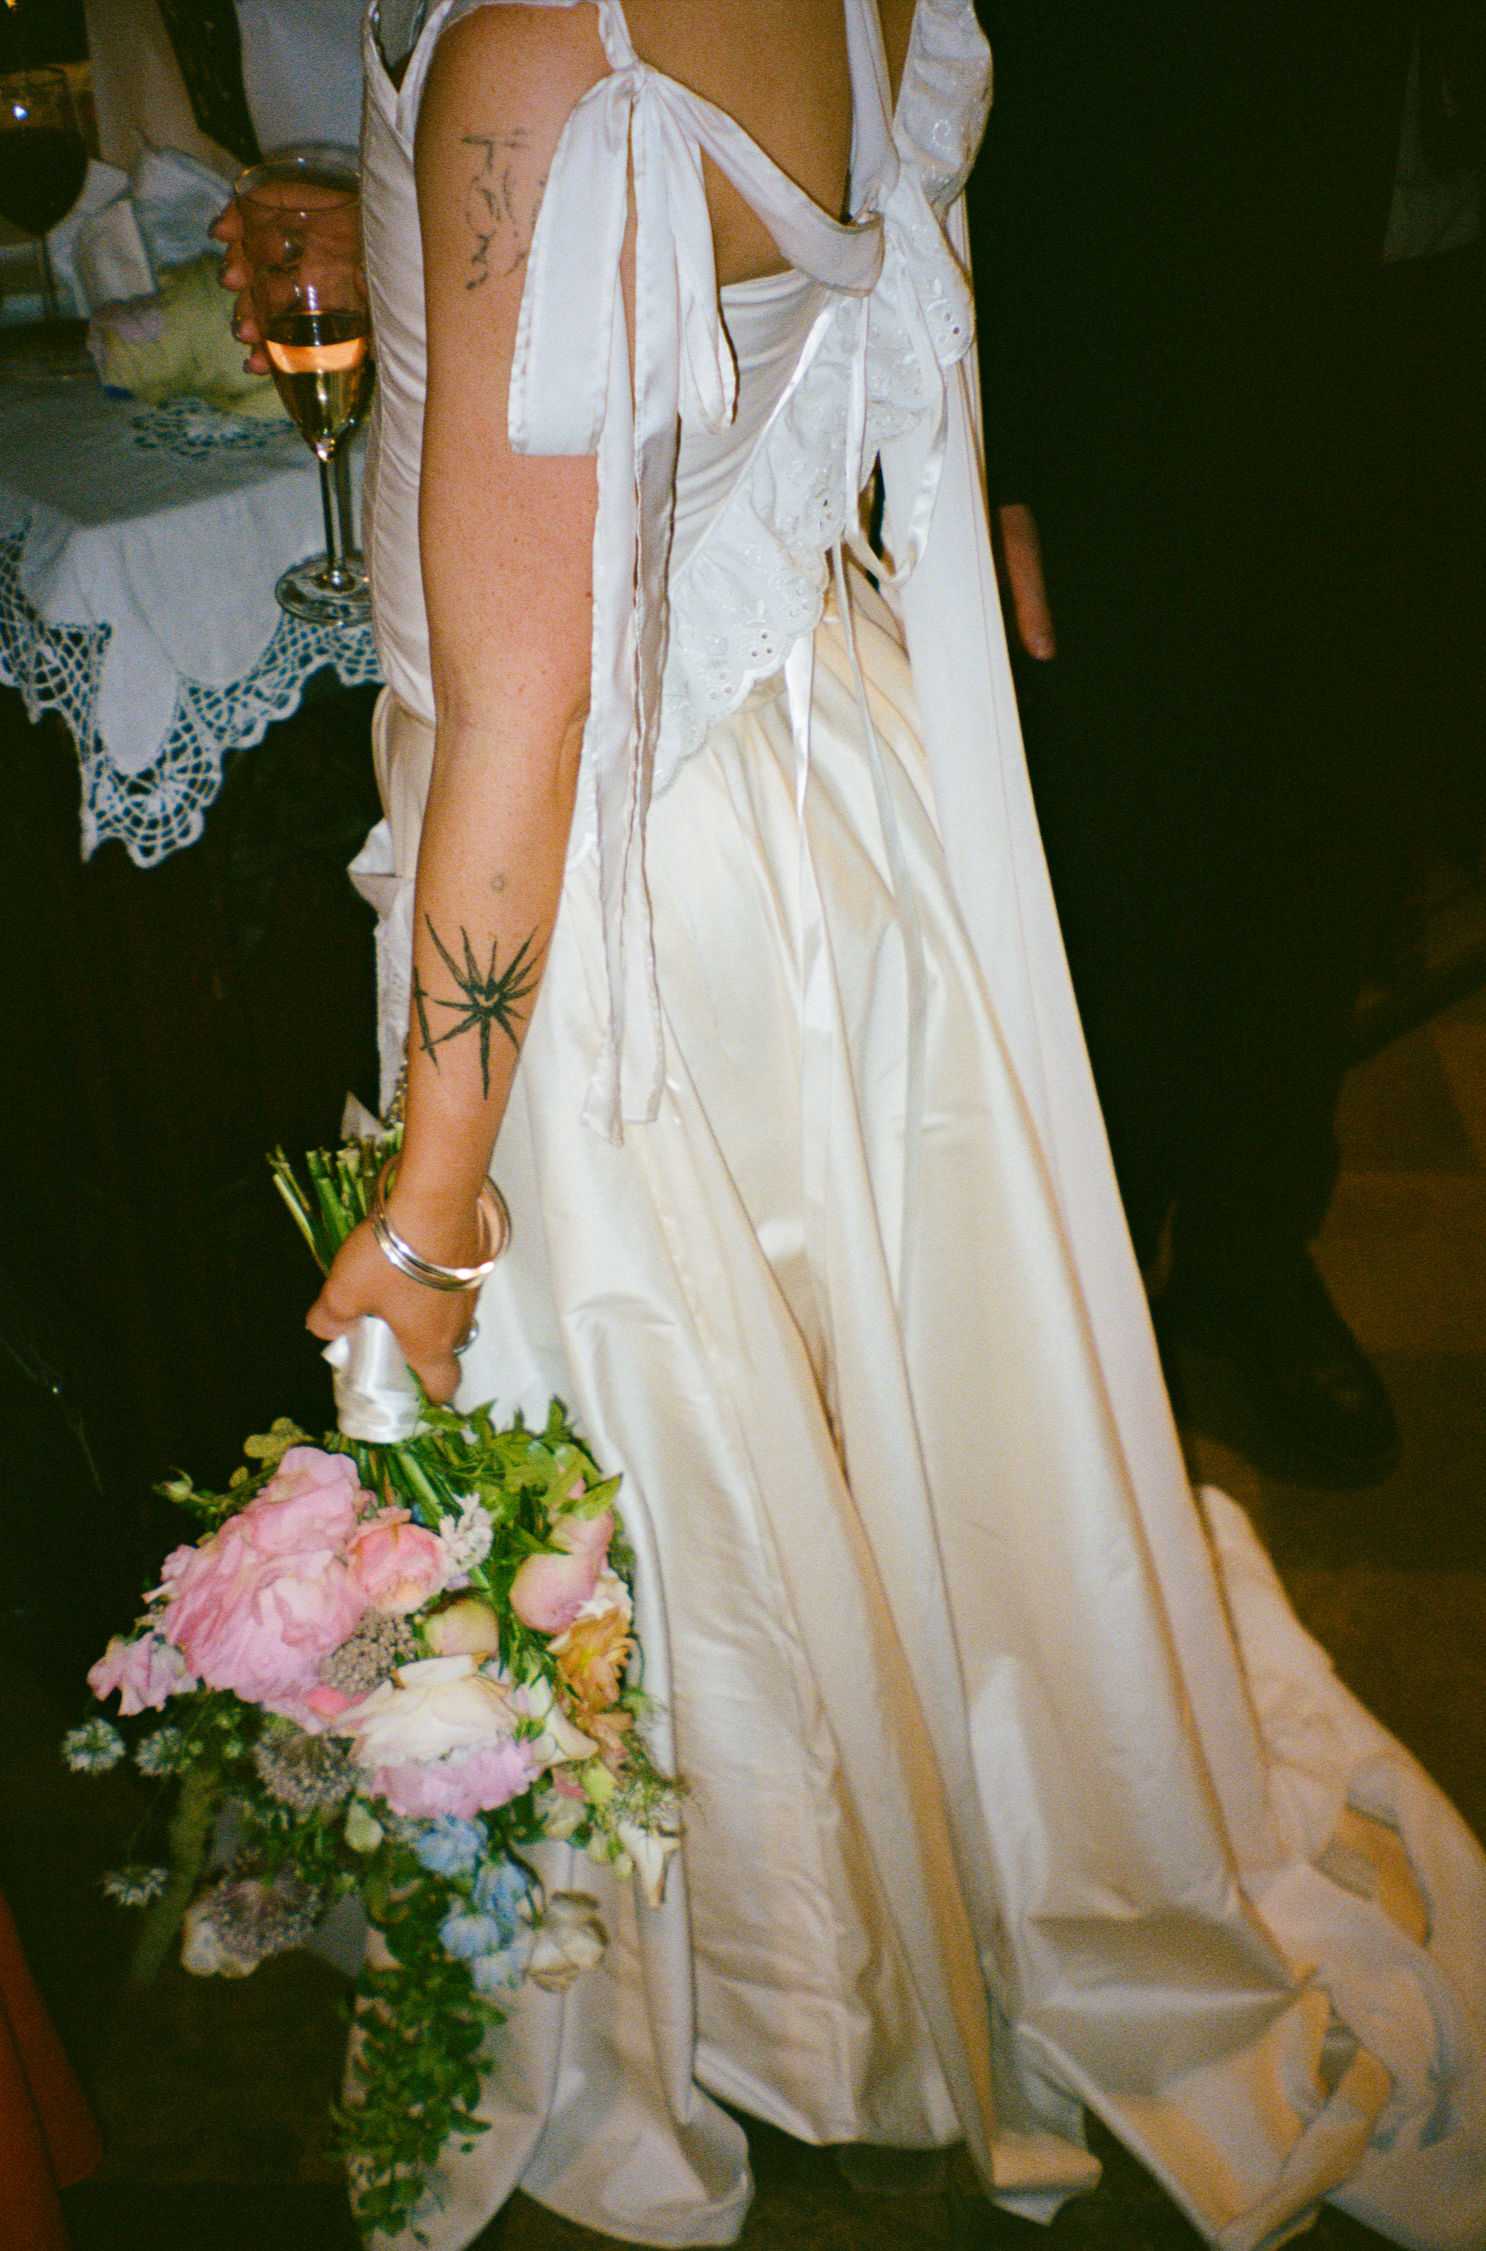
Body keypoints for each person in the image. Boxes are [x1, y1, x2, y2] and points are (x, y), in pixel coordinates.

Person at [224, 3, 1486, 2246]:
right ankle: (906, 1907)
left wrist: (429, 1209)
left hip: (611, 903)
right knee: (878, 1414)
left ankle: (767, 1991)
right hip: (824, 776)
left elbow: (528, 723)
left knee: (671, 1452)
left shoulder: (546, 57)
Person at [967, 2, 1485, 1487]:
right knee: (1123, 859)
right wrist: (1013, 442)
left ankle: (1253, 1252)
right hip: (1163, 369)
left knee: (1332, 855)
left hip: (1431, 366)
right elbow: (1028, 76)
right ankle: (1102, 1273)